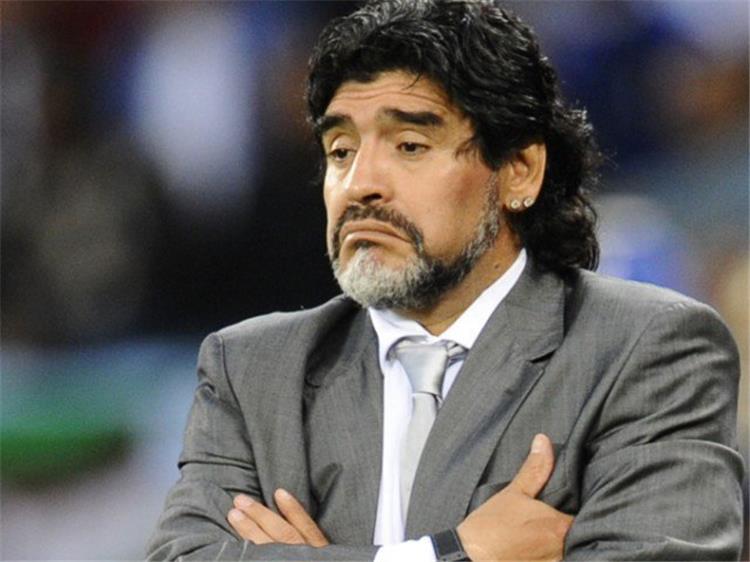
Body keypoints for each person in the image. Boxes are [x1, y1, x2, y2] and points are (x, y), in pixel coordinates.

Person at [147, 1, 745, 560]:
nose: (359, 184)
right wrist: (451, 552)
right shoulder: (250, 369)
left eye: (409, 145)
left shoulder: (646, 349)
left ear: (519, 171)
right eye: (340, 150)